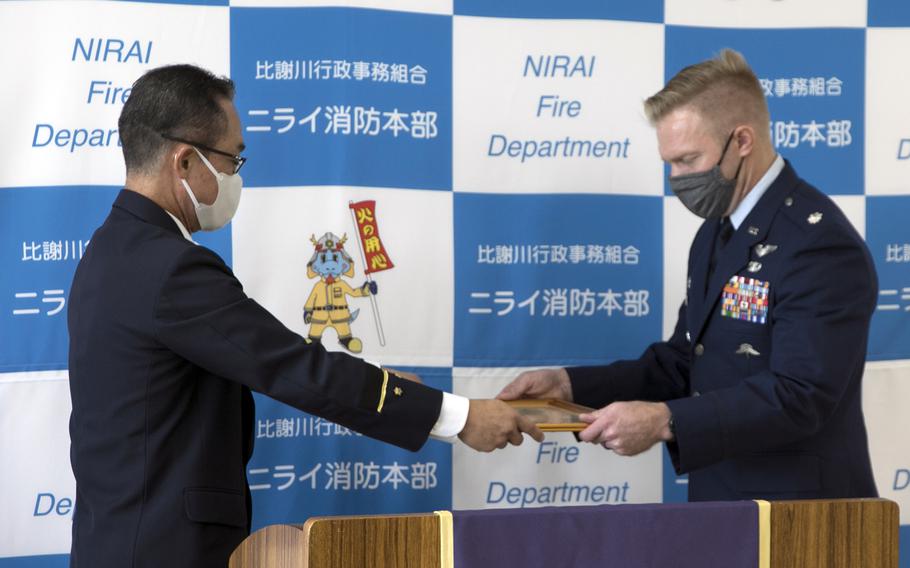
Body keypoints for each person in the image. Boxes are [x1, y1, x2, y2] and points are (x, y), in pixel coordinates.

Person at [67, 64, 543, 567]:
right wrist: (458, 417)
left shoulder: (110, 251)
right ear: (185, 162)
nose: (235, 176)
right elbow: (291, 366)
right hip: (162, 550)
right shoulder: (169, 268)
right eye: (233, 158)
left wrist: (388, 387)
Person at [498, 49, 878, 502]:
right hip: (723, 503)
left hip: (804, 516)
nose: (676, 179)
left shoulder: (818, 243)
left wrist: (665, 420)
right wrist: (568, 386)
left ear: (742, 141)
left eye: (688, 160)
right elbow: (684, 362)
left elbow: (801, 394)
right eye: (669, 164)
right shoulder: (716, 232)